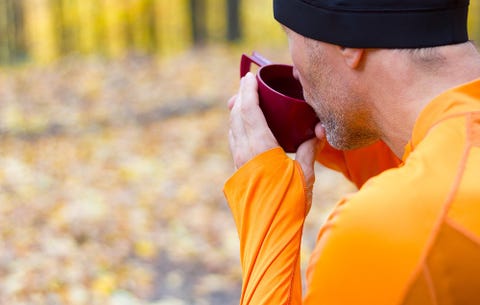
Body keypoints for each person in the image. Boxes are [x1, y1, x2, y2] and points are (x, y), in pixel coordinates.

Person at [224, 0, 480, 304]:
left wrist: (267, 207)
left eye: (290, 36)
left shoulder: (379, 235)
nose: (295, 73)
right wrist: (355, 122)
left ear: (348, 43)